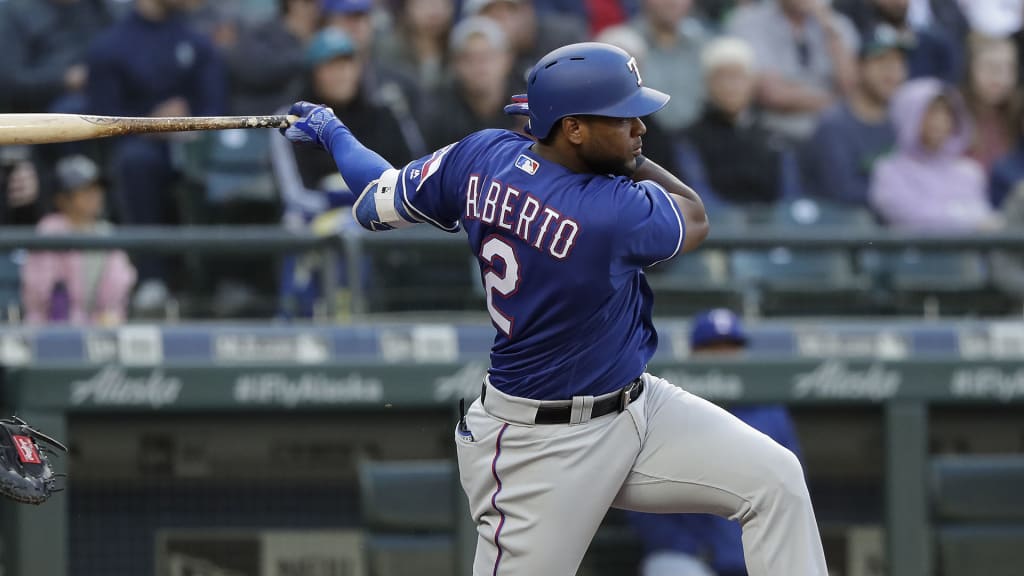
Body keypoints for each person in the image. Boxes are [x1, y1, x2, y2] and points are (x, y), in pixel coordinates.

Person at [281, 41, 827, 575]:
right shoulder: (607, 212)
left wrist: (335, 132)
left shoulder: (482, 154)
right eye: (624, 117)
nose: (640, 130)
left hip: (638, 408)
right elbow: (696, 215)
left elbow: (378, 191)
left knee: (775, 480)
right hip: (538, 446)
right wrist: (627, 158)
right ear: (573, 129)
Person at [628, 308, 804, 576]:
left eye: (731, 347)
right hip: (688, 558)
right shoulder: (667, 409)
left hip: (756, 555)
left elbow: (791, 487)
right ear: (693, 355)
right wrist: (687, 547)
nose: (724, 356)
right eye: (712, 348)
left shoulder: (770, 410)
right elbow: (638, 496)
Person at [86, 0, 227, 313]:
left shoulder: (197, 43)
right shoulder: (110, 46)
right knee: (135, 161)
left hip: (195, 146)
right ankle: (152, 278)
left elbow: (216, 108)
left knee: (228, 159)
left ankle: (222, 280)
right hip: (139, 147)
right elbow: (99, 119)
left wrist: (188, 125)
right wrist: (151, 124)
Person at [271, 27, 417, 318]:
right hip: (316, 222)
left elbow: (414, 174)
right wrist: (344, 206)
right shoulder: (293, 120)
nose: (340, 73)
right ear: (314, 72)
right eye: (330, 66)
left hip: (387, 216)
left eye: (347, 64)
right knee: (319, 230)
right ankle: (304, 319)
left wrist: (362, 206)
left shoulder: (386, 113)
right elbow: (294, 196)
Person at [20, 155, 136, 326]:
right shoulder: (49, 230)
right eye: (85, 190)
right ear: (62, 199)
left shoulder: (106, 232)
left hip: (100, 331)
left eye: (97, 189)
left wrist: (104, 318)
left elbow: (119, 289)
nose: (95, 196)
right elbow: (40, 294)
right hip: (51, 331)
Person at [869, 77, 996, 231]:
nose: (940, 121)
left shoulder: (970, 172)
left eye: (946, 113)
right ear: (908, 116)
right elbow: (912, 218)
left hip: (965, 255)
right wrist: (964, 218)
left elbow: (984, 216)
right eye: (930, 113)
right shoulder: (888, 171)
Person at [801, 23, 908, 206]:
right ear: (858, 67)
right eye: (881, 60)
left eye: (898, 61)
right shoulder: (834, 126)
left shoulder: (903, 123)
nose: (892, 71)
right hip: (846, 229)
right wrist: (905, 197)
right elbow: (842, 193)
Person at [726, 0, 859, 145]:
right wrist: (836, 103)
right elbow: (771, 94)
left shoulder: (838, 24)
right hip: (774, 134)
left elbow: (851, 88)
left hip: (833, 135)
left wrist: (830, 31)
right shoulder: (748, 21)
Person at [681, 37, 789, 206]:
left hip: (771, 228)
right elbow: (697, 195)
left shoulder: (773, 138)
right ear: (707, 84)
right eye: (721, 77)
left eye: (738, 77)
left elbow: (788, 195)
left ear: (752, 82)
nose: (730, 86)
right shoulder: (690, 138)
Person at [600, 0, 708, 131]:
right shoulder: (621, 44)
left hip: (698, 138)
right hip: (640, 136)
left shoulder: (703, 42)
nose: (672, 3)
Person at [418, 17, 524, 151]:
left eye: (486, 57)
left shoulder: (526, 105)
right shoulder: (437, 113)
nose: (478, 66)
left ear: (507, 59)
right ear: (455, 64)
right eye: (468, 58)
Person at [0, 0, 112, 114]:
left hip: (102, 90)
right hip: (45, 107)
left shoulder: (97, 7)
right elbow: (8, 81)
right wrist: (65, 80)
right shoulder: (15, 11)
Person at [223, 0, 323, 116]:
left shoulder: (323, 33)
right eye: (308, 3)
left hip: (306, 118)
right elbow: (253, 71)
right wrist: (307, 53)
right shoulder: (262, 33)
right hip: (259, 116)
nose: (314, 8)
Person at [960, 33, 1019, 172]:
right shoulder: (953, 111)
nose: (999, 77)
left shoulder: (1017, 115)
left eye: (1008, 68)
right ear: (970, 68)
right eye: (990, 66)